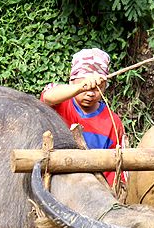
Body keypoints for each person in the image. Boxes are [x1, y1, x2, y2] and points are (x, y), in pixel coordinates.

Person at [40, 48, 126, 186]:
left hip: (95, 188)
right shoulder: (59, 102)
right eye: (85, 86)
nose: (90, 93)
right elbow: (48, 97)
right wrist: (81, 87)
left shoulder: (112, 122)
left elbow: (116, 172)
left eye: (98, 88)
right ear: (72, 83)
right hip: (54, 182)